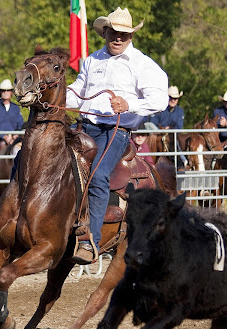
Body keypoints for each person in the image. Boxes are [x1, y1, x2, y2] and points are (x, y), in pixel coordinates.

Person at [66, 7, 168, 263]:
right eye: (114, 32)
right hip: (84, 127)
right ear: (105, 32)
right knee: (37, 154)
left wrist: (129, 105)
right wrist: (52, 97)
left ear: (131, 36)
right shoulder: (91, 60)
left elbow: (159, 99)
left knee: (99, 175)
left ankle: (92, 242)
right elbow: (78, 91)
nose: (118, 38)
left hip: (115, 130)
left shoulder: (142, 64)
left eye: (124, 34)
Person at [0, 79, 25, 153]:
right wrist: (4, 136)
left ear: (11, 92)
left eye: (8, 90)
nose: (5, 92)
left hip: (14, 138)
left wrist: (16, 135)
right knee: (1, 146)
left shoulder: (15, 107)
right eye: (3, 90)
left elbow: (20, 123)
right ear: (0, 92)